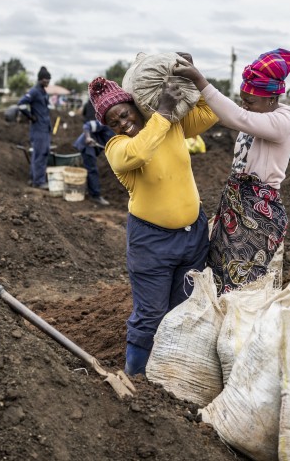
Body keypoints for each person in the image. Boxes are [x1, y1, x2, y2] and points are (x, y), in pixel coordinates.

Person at [88, 73, 218, 376]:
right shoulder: (117, 147)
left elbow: (210, 113)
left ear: (135, 105)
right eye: (113, 122)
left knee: (182, 310)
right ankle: (135, 377)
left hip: (193, 237)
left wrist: (195, 77)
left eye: (123, 113)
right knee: (150, 314)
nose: (121, 123)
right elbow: (140, 152)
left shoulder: (170, 125)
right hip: (152, 244)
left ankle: (170, 376)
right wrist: (162, 112)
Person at [174, 48, 290, 295]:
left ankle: (242, 332)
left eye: (250, 101)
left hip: (257, 213)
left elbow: (235, 117)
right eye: (243, 100)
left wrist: (200, 80)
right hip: (234, 205)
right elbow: (232, 114)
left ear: (271, 99)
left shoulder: (282, 122)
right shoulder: (258, 115)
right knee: (219, 273)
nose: (245, 106)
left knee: (243, 285)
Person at [18, 67, 52, 189]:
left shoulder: (43, 92)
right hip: (38, 129)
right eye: (45, 79)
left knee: (39, 154)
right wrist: (30, 117)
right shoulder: (34, 91)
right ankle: (39, 182)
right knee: (40, 155)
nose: (48, 81)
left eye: (49, 79)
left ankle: (33, 178)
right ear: (40, 79)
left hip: (45, 128)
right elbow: (21, 104)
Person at [72, 118, 114, 206]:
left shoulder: (119, 134)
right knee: (92, 170)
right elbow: (87, 125)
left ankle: (89, 190)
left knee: (90, 168)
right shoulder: (106, 124)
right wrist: (88, 137)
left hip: (94, 148)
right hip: (87, 145)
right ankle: (95, 196)